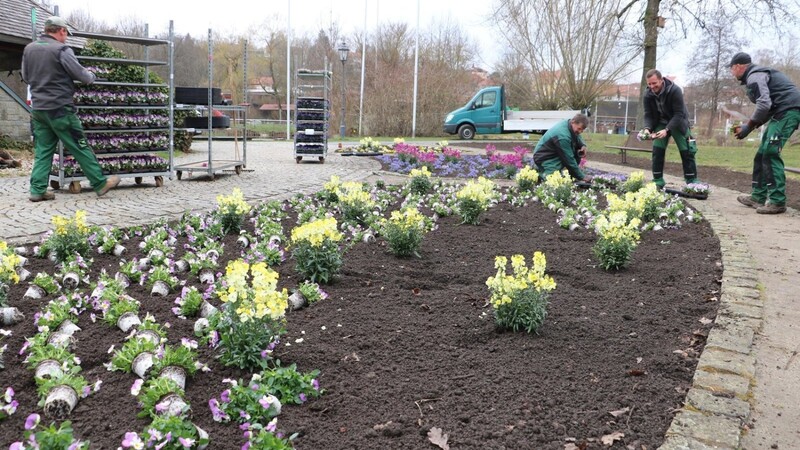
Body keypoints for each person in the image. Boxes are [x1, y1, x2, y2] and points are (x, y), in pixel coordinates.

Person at [21, 16, 119, 202]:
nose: (66, 37)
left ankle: (37, 190)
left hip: (39, 109)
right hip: (60, 109)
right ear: (61, 31)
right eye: (66, 34)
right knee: (79, 145)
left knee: (43, 150)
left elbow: (26, 76)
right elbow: (81, 74)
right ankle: (100, 183)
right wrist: (92, 76)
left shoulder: (29, 49)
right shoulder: (62, 50)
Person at [730, 52, 800, 214]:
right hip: (780, 112)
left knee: (770, 151)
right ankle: (758, 196)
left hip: (789, 111)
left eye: (732, 69)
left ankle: (777, 201)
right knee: (762, 153)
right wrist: (749, 127)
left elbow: (763, 105)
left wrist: (748, 127)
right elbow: (766, 109)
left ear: (739, 66)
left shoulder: (754, 76)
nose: (732, 73)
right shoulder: (756, 76)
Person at [641, 69, 698, 188]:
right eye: (649, 84)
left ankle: (692, 181)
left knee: (687, 150)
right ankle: (658, 180)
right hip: (660, 123)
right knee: (657, 151)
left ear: (661, 80)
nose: (652, 86)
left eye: (654, 83)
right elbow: (648, 114)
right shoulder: (647, 94)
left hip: (677, 122)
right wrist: (647, 128)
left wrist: (667, 130)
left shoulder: (675, 90)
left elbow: (679, 113)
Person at [532, 113, 593, 182]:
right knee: (553, 181)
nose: (580, 132)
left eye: (582, 130)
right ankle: (541, 174)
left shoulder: (569, 123)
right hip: (543, 157)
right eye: (579, 129)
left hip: (552, 152)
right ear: (573, 122)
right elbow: (569, 159)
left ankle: (571, 175)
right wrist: (582, 176)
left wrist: (582, 145)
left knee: (577, 150)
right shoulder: (563, 136)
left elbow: (577, 135)